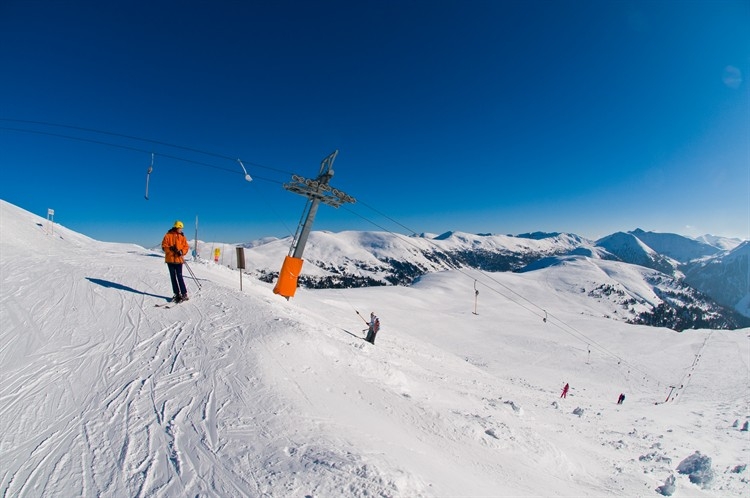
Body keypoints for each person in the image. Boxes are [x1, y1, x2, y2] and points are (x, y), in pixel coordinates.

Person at [162, 220, 190, 303]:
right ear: (176, 227)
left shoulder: (182, 237)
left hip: (179, 260)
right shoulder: (168, 235)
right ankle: (176, 294)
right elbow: (164, 246)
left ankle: (184, 293)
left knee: (179, 276)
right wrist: (170, 249)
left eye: (181, 228)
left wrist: (181, 252)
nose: (181, 229)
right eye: (180, 228)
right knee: (173, 277)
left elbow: (186, 247)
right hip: (170, 260)